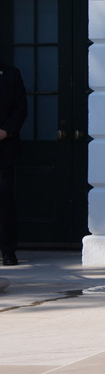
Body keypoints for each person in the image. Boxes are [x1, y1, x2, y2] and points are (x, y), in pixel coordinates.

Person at [0, 62, 28, 267]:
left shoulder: (11, 74)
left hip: (4, 149)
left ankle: (8, 251)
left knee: (5, 200)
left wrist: (6, 131)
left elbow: (21, 107)